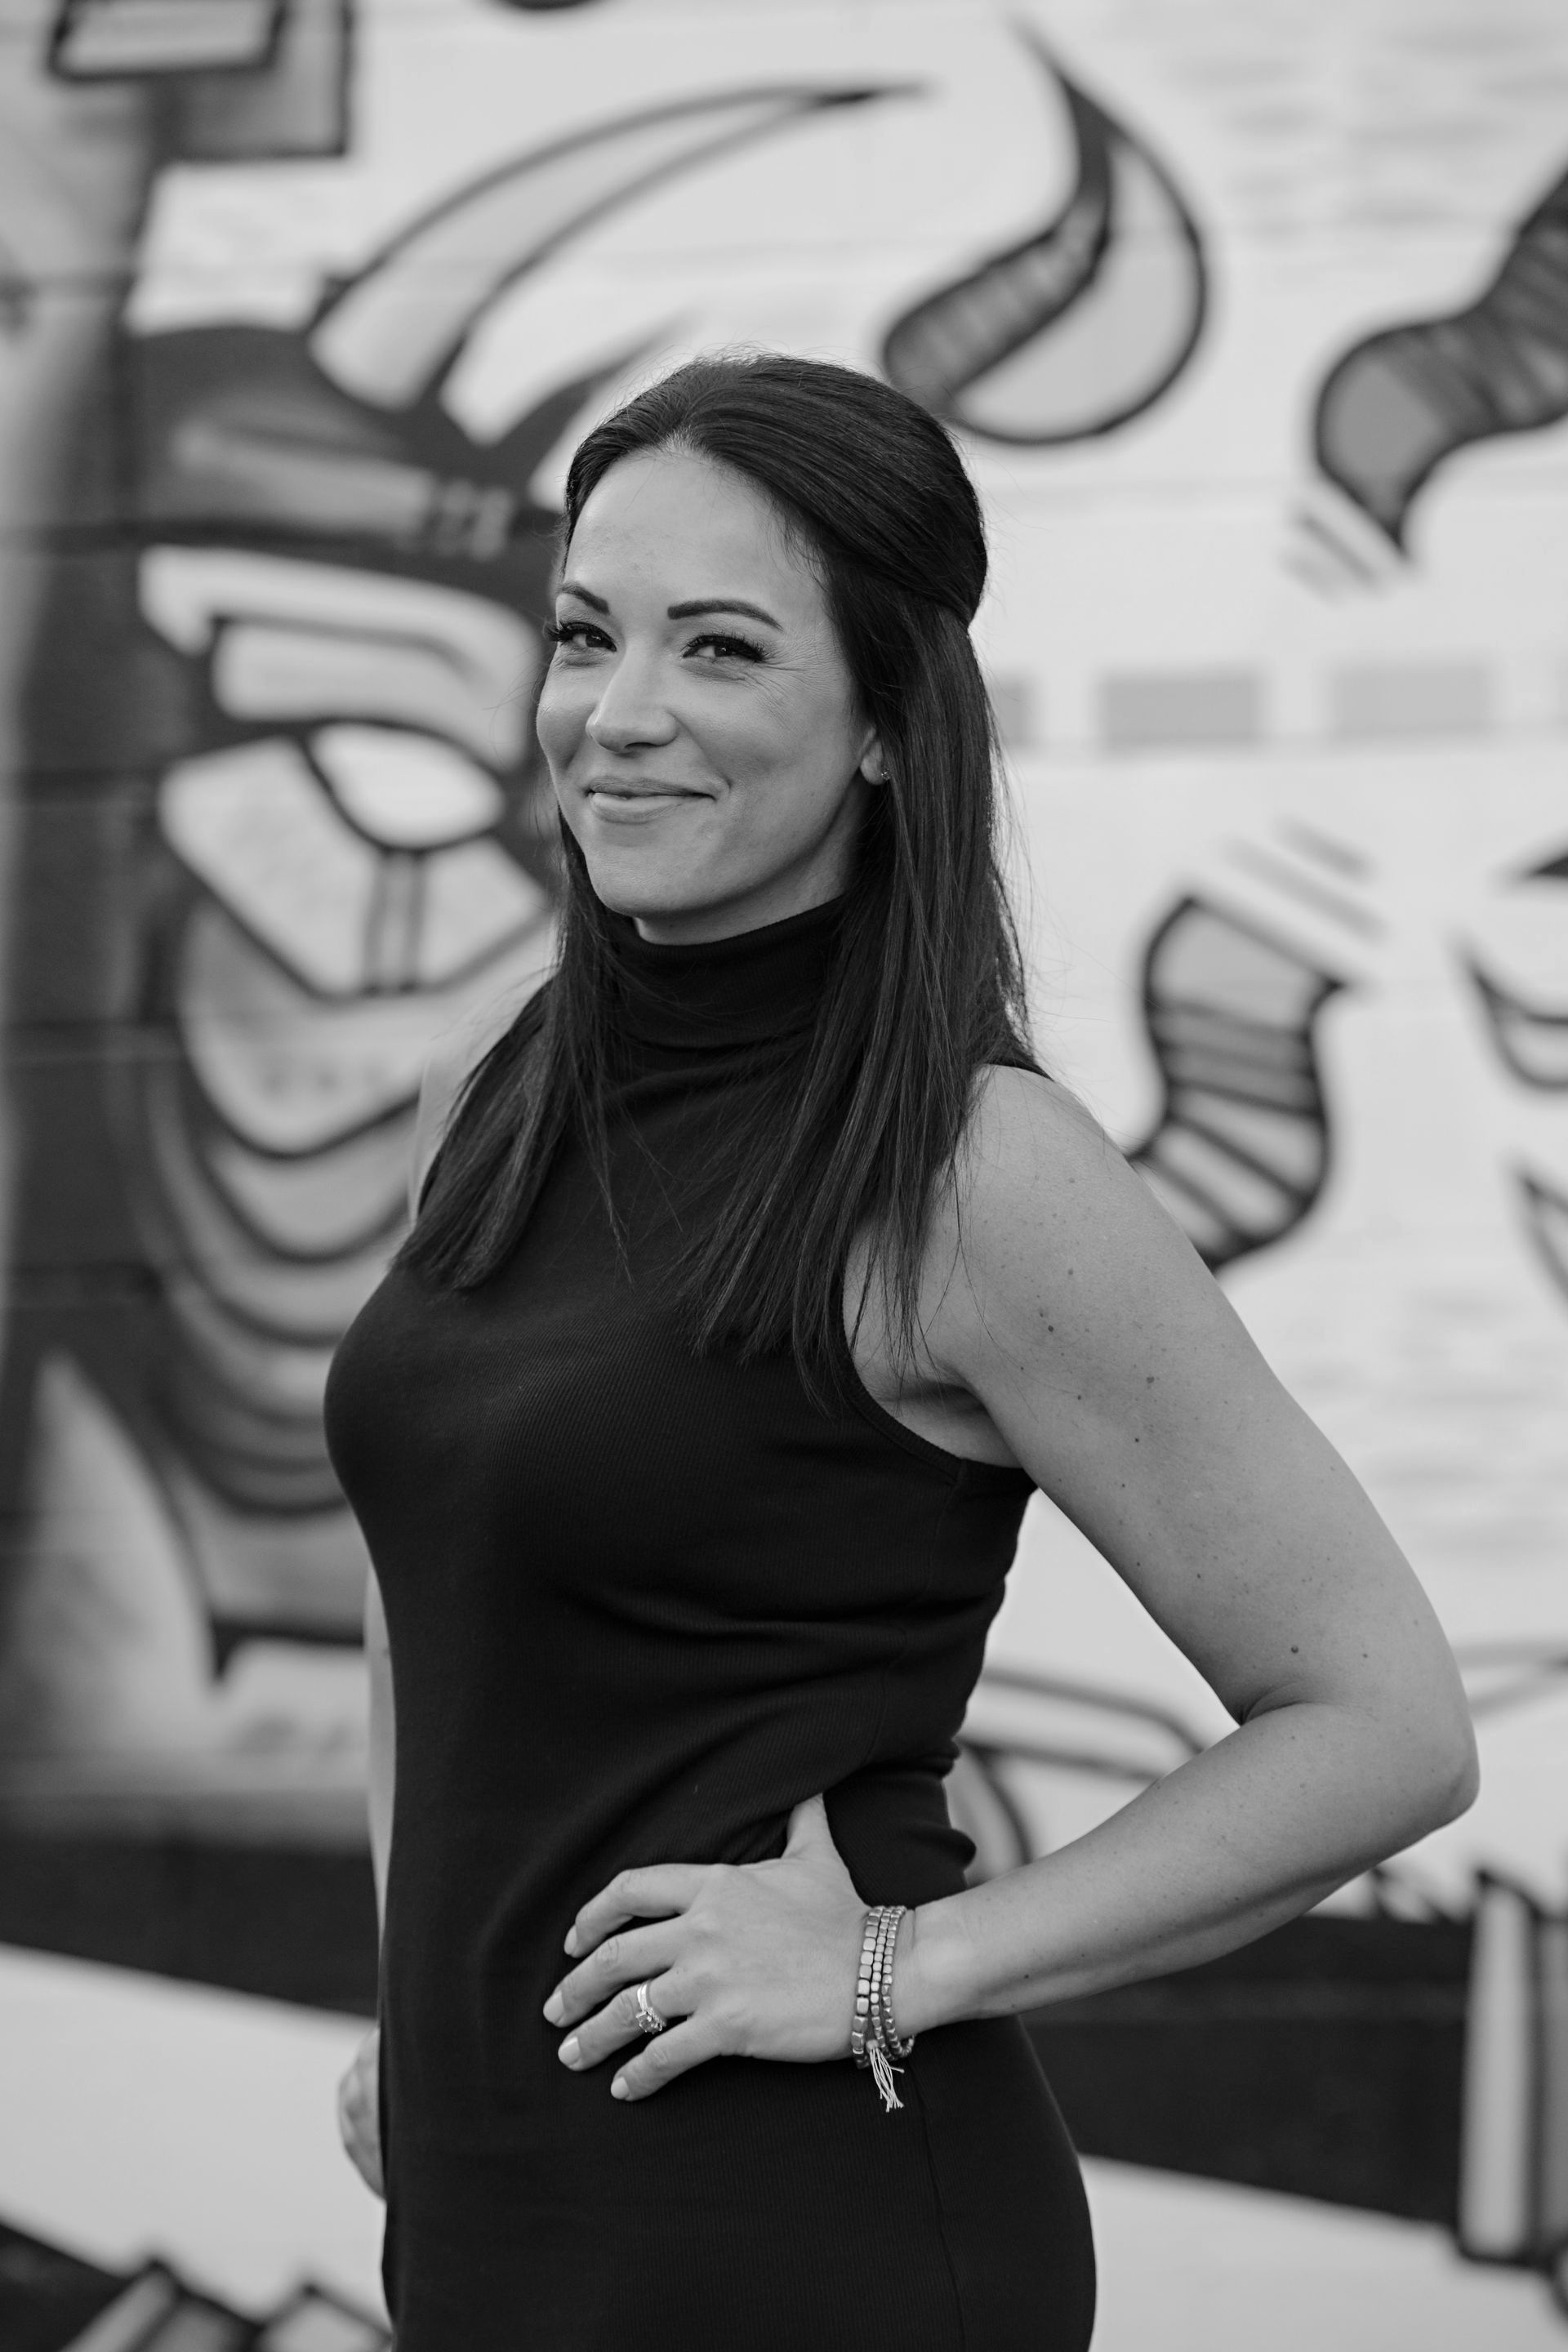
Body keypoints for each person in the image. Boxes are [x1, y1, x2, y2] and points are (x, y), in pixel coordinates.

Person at [325, 351, 1477, 2351]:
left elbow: (1380, 1725)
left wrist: (897, 1966)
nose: (622, 714)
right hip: (491, 2209)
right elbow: (427, 1604)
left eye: (724, 650)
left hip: (818, 2234)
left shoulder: (968, 1171)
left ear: (878, 724)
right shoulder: (492, 1090)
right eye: (587, 634)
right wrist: (414, 2000)